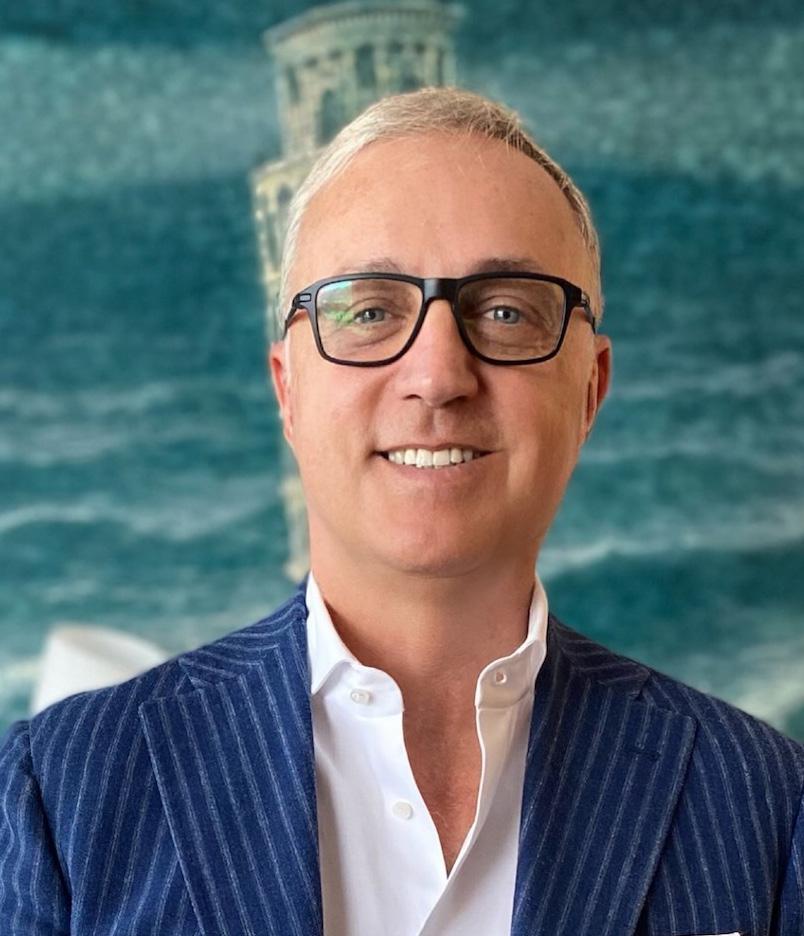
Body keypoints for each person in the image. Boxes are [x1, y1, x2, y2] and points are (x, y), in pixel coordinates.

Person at [0, 87, 801, 936]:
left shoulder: (769, 808)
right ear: (288, 392)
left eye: (506, 311)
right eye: (371, 311)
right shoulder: (58, 797)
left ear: (590, 391)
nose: (438, 376)